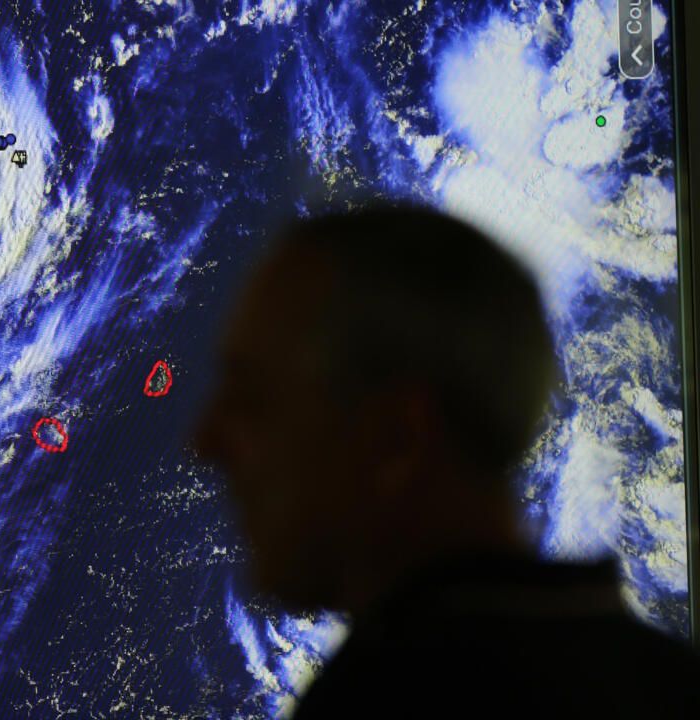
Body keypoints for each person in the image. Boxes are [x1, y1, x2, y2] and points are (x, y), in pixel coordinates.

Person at [194, 205, 700, 719]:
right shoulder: (660, 684)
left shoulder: (384, 700)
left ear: (397, 438)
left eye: (254, 400)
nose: (203, 442)